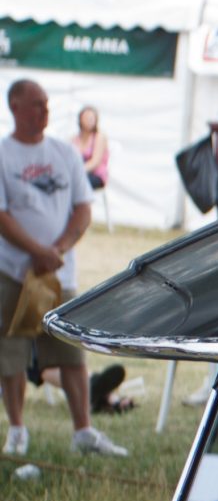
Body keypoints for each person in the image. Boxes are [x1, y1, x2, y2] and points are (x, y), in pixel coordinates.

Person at [0, 77, 126, 460]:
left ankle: (83, 429)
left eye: (47, 103)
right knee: (12, 355)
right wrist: (35, 249)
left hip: (58, 274)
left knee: (71, 354)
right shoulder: (4, 154)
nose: (44, 110)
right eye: (36, 103)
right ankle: (17, 429)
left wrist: (58, 249)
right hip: (11, 272)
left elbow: (83, 209)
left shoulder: (65, 154)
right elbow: (2, 215)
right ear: (15, 107)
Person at [74, 105, 109, 215]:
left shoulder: (99, 137)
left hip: (96, 175)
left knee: (76, 184)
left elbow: (95, 162)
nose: (90, 121)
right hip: (79, 174)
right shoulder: (75, 139)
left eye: (92, 118)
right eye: (87, 118)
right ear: (80, 119)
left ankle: (79, 215)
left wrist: (77, 171)